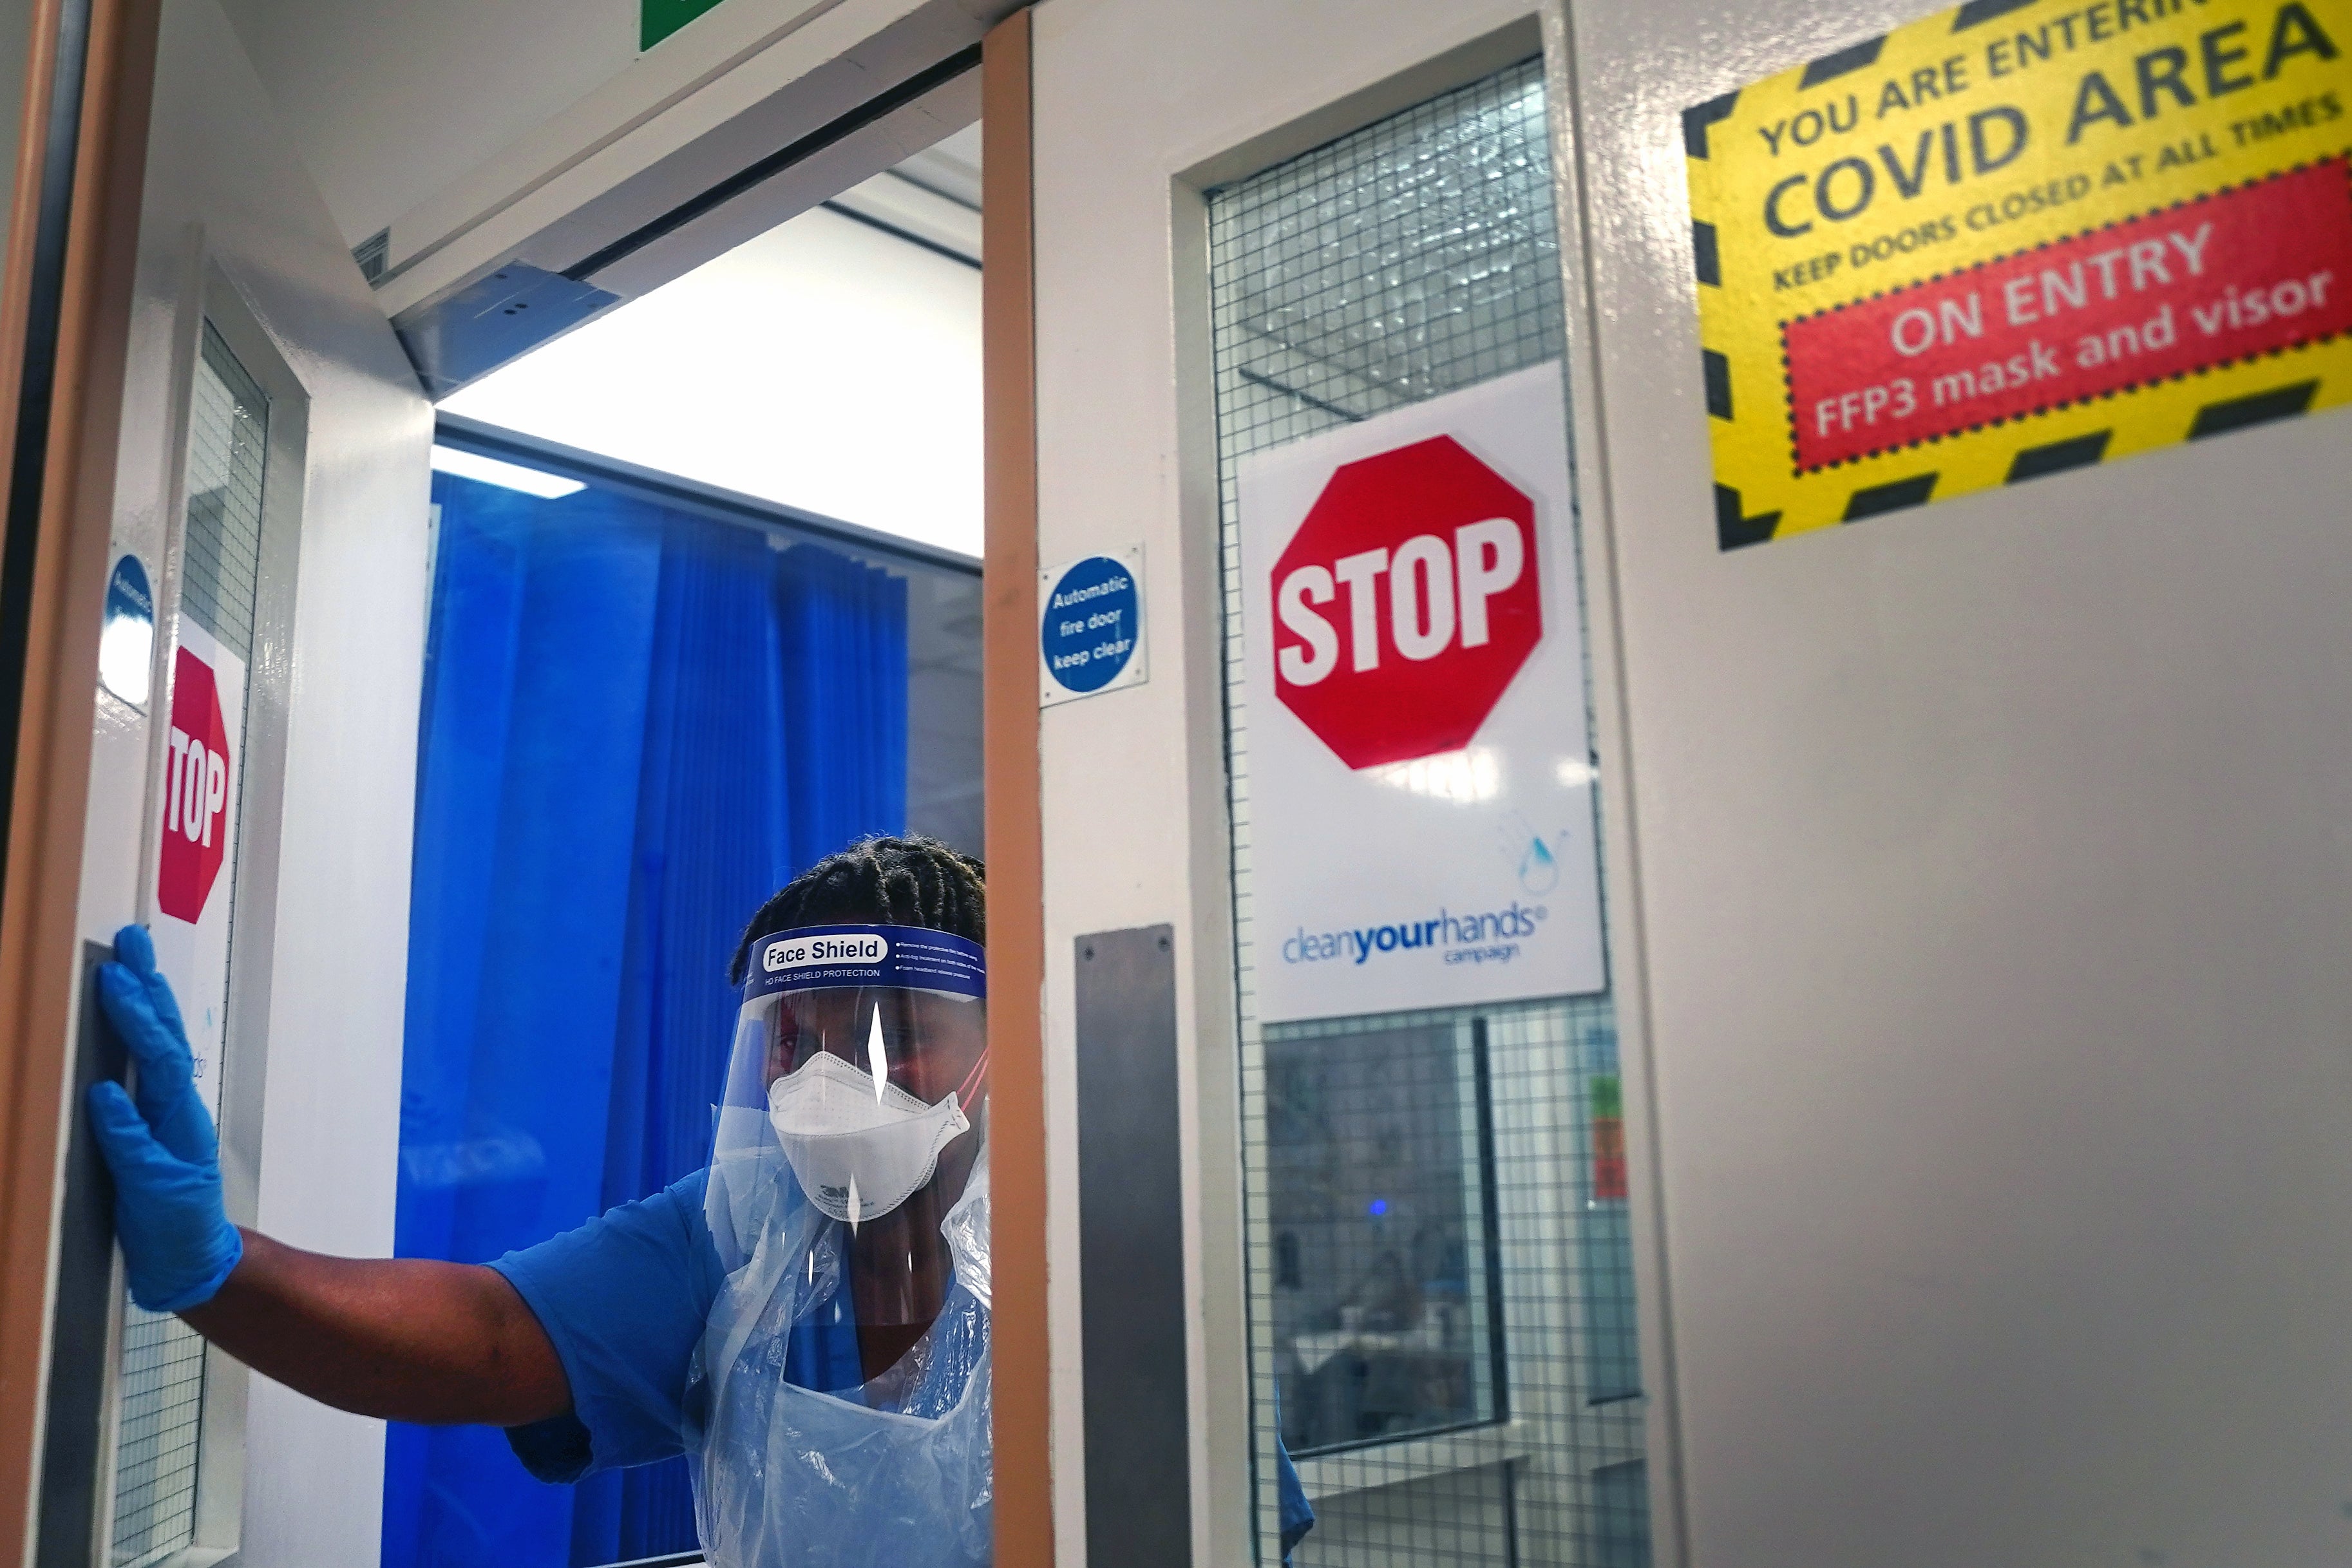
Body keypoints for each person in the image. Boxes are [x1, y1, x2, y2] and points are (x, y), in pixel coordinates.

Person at [89, 833, 1316, 1565]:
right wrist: (219, 1264)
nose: (828, 1079)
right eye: (794, 1037)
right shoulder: (743, 1233)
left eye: (889, 1036)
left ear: (1013, 1045)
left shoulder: (1118, 1267)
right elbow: (489, 1339)